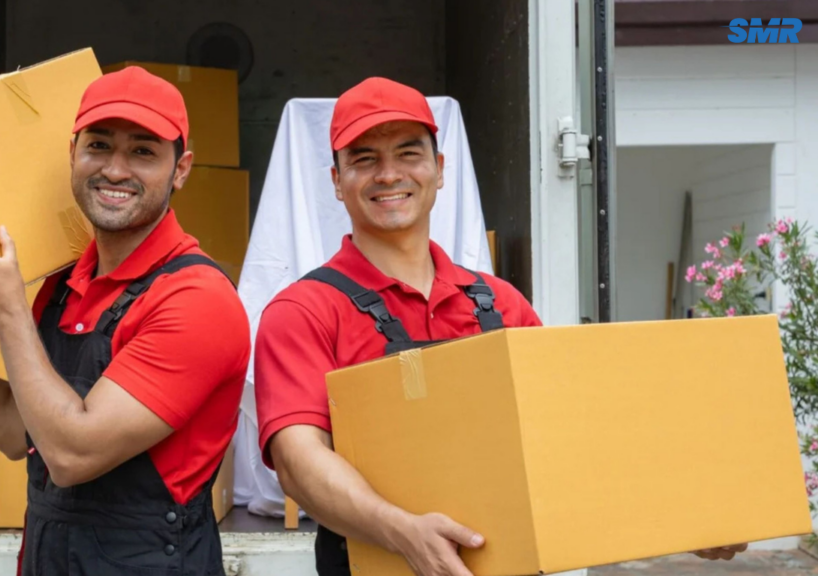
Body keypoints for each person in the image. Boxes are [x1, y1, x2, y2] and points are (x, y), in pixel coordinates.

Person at [252, 77, 746, 576]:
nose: (389, 174)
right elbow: (298, 460)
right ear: (337, 181)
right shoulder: (304, 311)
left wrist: (683, 512)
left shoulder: (501, 304)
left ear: (439, 169)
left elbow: (571, 434)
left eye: (408, 153)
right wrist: (404, 533)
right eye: (364, 159)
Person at [0, 66, 250, 576]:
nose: (115, 170)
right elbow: (15, 426)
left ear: (180, 170)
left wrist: (7, 311)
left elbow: (72, 455)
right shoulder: (64, 285)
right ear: (72, 154)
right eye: (99, 146)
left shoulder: (197, 299)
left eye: (143, 151)